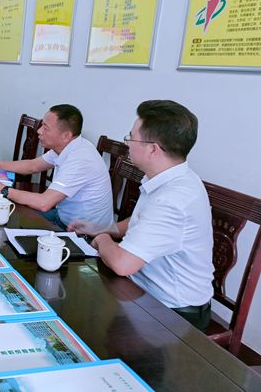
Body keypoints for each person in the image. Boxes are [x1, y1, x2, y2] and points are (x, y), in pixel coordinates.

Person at [76, 100, 213, 330]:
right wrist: (105, 229)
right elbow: (142, 221)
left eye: (131, 138)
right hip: (142, 289)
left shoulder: (174, 198)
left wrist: (102, 239)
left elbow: (122, 264)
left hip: (173, 313)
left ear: (152, 149)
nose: (127, 143)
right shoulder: (166, 177)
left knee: (83, 318)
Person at [0, 104, 113, 229]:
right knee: (8, 215)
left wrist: (4, 190)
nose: (39, 131)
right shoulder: (68, 146)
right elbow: (32, 165)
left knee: (8, 220)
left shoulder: (80, 160)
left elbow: (44, 203)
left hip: (84, 233)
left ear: (66, 136)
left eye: (45, 128)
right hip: (62, 217)